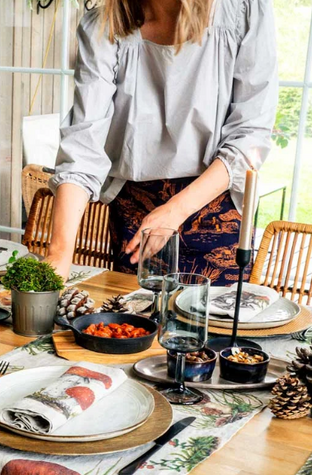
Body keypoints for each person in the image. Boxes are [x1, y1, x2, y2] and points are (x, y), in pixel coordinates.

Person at [46, 0, 278, 285]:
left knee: (210, 326)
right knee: (131, 323)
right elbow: (82, 146)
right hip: (134, 215)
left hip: (214, 208)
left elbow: (250, 134)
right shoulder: (103, 24)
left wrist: (175, 210)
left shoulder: (244, 10)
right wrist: (59, 254)